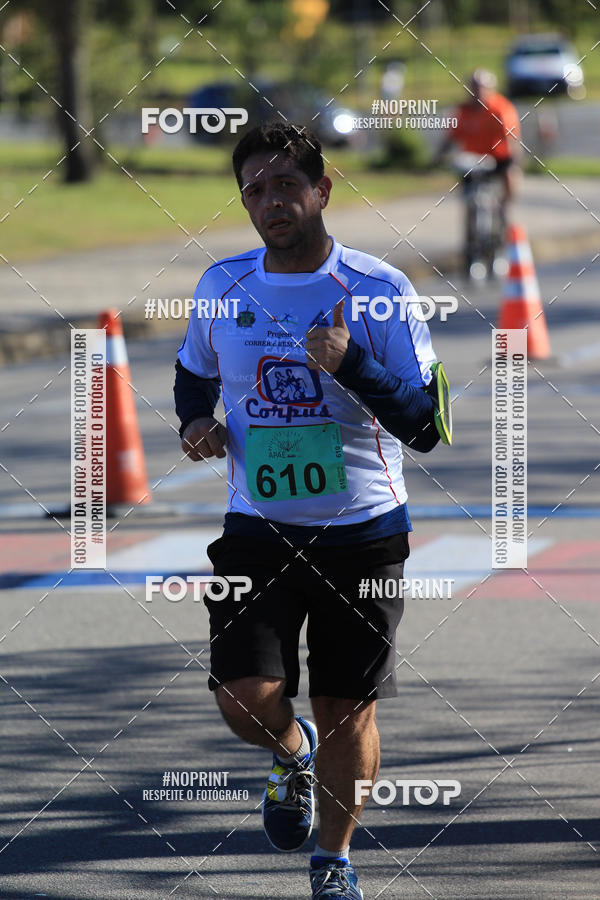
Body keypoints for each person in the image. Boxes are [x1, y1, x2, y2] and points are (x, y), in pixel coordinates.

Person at [174, 122, 446, 899]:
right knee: (244, 698)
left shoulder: (381, 291)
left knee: (346, 707)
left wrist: (353, 362)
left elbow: (426, 427)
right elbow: (193, 374)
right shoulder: (222, 286)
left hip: (363, 533)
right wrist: (196, 420)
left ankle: (334, 862)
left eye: (286, 184)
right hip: (258, 527)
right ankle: (290, 751)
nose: (271, 202)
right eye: (255, 190)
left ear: (322, 190)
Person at [436, 68, 522, 212]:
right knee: (466, 191)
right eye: (474, 87)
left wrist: (515, 159)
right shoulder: (463, 111)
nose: (477, 91)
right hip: (473, 160)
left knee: (510, 179)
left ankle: (502, 212)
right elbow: (451, 137)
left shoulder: (501, 108)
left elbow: (511, 137)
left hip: (498, 157)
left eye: (481, 87)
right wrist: (438, 157)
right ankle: (471, 223)